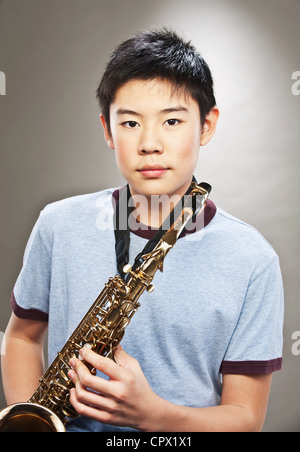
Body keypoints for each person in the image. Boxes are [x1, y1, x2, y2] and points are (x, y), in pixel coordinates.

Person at [1, 29, 284, 432]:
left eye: (171, 120)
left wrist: (153, 415)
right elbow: (22, 338)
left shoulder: (253, 259)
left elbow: (246, 418)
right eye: (130, 122)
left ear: (206, 125)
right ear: (107, 130)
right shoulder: (57, 223)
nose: (150, 143)